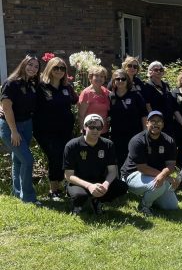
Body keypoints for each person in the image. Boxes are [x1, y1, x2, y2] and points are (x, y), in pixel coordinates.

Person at [63, 114, 127, 215]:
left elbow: (112, 171)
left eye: (98, 128)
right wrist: (89, 186)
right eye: (91, 127)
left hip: (99, 180)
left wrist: (105, 185)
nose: (95, 130)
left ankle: (97, 201)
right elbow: (68, 175)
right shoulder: (72, 145)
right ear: (85, 127)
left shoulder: (108, 144)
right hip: (78, 182)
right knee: (80, 196)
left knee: (122, 187)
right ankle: (77, 205)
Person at [33, 56, 78, 201]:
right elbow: (25, 99)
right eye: (56, 68)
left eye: (62, 68)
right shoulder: (40, 86)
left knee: (64, 157)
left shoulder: (67, 88)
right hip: (45, 131)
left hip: (65, 131)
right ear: (49, 69)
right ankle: (53, 190)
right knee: (54, 156)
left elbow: (78, 101)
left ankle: (64, 186)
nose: (59, 71)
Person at [0, 55, 42, 205]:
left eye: (36, 67)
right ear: (23, 64)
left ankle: (18, 193)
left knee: (18, 160)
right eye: (30, 65)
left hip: (27, 124)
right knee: (27, 160)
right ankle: (29, 198)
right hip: (11, 126)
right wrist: (14, 131)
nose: (32, 68)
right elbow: (6, 108)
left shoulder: (31, 84)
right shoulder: (10, 83)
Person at [122, 111, 178, 216]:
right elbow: (142, 168)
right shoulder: (137, 140)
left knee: (171, 206)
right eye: (152, 121)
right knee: (159, 184)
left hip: (155, 175)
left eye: (159, 121)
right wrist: (164, 176)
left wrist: (164, 174)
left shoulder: (169, 140)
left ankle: (152, 195)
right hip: (132, 175)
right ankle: (144, 206)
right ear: (147, 123)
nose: (155, 124)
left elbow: (171, 165)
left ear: (163, 124)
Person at [108, 69, 148, 168]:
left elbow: (144, 114)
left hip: (134, 134)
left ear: (127, 81)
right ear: (113, 81)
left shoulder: (135, 95)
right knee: (120, 160)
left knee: (134, 159)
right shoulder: (111, 96)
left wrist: (145, 132)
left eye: (123, 79)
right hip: (117, 135)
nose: (120, 81)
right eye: (117, 79)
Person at [141, 61, 176, 137]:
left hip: (168, 121)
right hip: (157, 122)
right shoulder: (147, 86)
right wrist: (154, 120)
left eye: (161, 70)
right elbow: (148, 105)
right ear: (150, 72)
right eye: (156, 70)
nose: (159, 71)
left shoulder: (165, 85)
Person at [78, 65, 110, 135]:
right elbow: (81, 116)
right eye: (97, 76)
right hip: (90, 132)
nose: (99, 78)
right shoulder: (86, 93)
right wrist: (83, 131)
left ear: (104, 79)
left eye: (102, 76)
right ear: (91, 77)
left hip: (104, 131)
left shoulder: (106, 92)